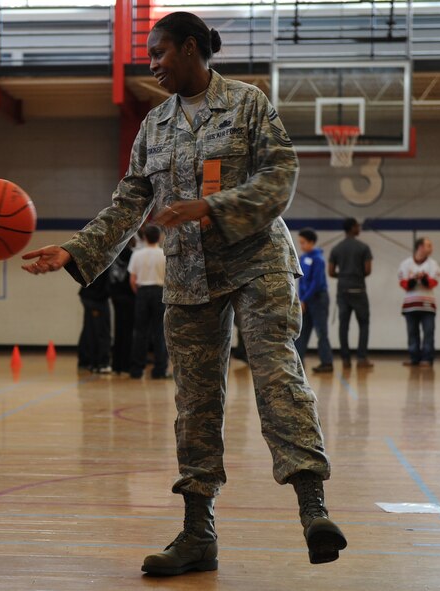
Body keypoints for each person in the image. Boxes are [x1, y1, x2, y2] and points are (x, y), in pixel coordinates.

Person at [22, 12, 345, 574]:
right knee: (195, 402)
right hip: (190, 275)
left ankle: (313, 509)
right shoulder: (155, 125)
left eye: (159, 52)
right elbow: (129, 202)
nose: (152, 64)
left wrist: (211, 207)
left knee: (276, 375)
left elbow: (280, 177)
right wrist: (77, 250)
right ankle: (198, 532)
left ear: (191, 48)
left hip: (257, 264)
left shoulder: (247, 104)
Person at [328, 218, 373, 368]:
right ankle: (361, 358)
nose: (359, 228)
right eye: (357, 226)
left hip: (343, 291)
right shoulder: (364, 247)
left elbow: (331, 272)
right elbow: (367, 270)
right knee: (364, 324)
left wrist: (343, 275)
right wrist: (356, 274)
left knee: (343, 326)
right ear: (353, 228)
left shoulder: (336, 248)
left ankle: (345, 359)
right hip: (359, 290)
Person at [128, 224, 168, 379]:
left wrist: (141, 293)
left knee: (140, 332)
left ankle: (137, 369)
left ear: (144, 237)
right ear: (160, 237)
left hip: (143, 292)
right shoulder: (164, 254)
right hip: (160, 292)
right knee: (159, 332)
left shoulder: (137, 254)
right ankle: (160, 370)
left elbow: (132, 280)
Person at [294, 228, 334, 373]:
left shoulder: (318, 259)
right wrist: (300, 299)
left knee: (321, 332)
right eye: (300, 242)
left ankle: (327, 362)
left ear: (311, 242)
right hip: (305, 300)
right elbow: (301, 281)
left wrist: (304, 299)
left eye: (303, 242)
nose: (301, 245)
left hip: (318, 299)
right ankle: (297, 362)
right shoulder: (302, 258)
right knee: (302, 331)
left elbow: (316, 283)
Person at [398, 237, 440, 367]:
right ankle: (414, 357)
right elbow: (403, 284)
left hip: (427, 305)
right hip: (411, 305)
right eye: (428, 245)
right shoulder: (405, 264)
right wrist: (414, 279)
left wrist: (423, 278)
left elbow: (433, 283)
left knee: (428, 332)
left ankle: (427, 358)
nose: (431, 248)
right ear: (420, 247)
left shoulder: (433, 264)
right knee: (412, 333)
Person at [109, 238, 137, 375]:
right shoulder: (132, 255)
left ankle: (116, 365)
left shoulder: (113, 255)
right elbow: (133, 277)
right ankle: (126, 365)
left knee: (118, 330)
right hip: (129, 296)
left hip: (115, 296)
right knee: (128, 331)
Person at [77, 268, 112, 374]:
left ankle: (87, 361)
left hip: (90, 296)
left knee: (90, 329)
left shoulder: (96, 259)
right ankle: (101, 363)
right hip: (96, 298)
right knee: (101, 331)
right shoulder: (105, 259)